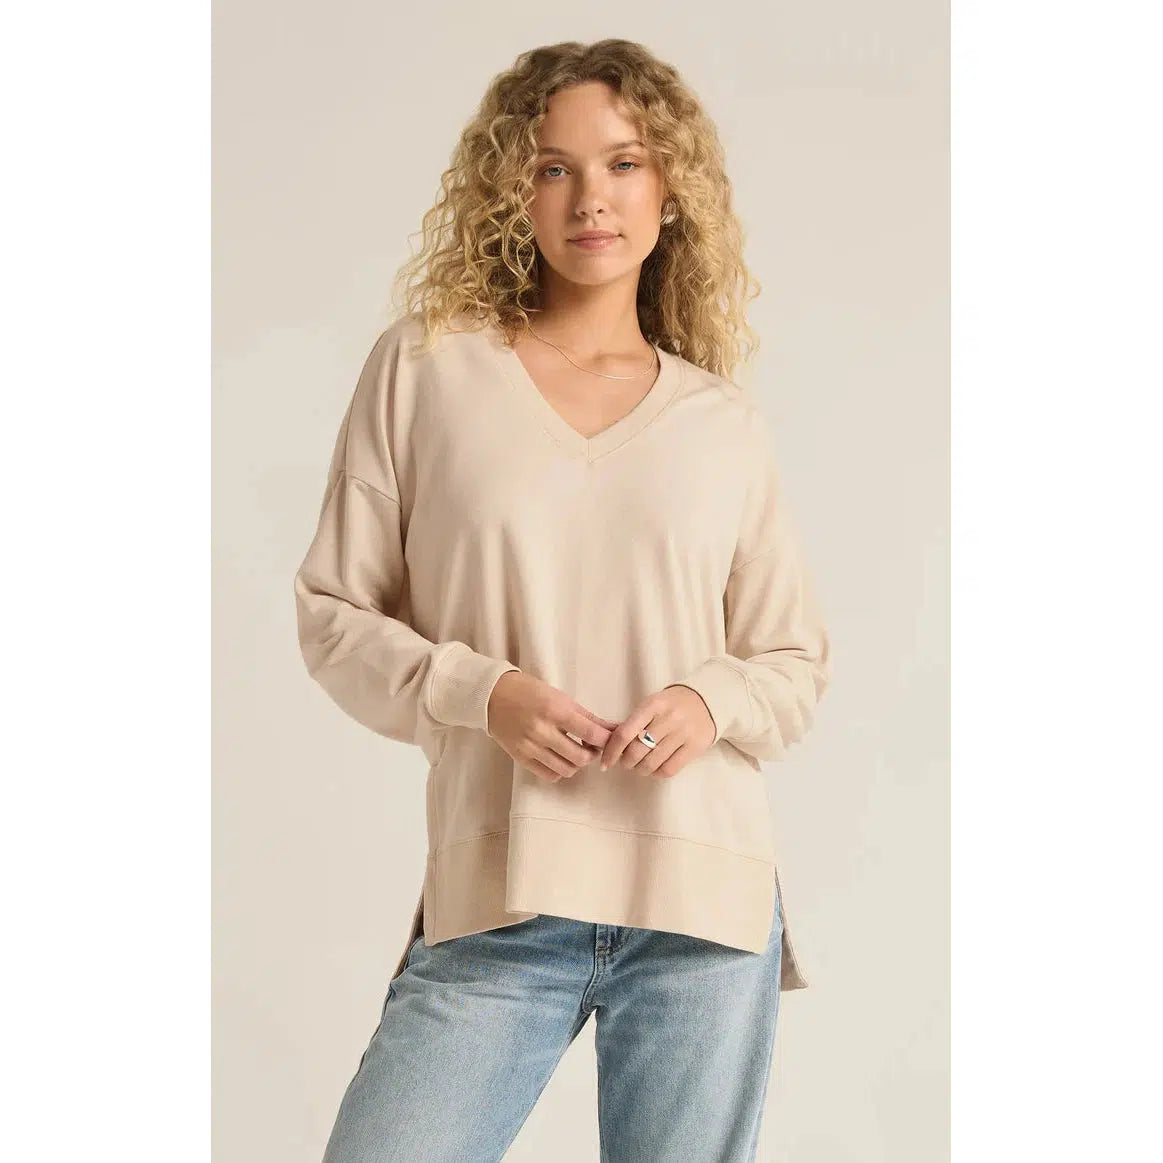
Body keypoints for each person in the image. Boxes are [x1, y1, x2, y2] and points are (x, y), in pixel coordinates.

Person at [293, 37, 832, 1163]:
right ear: (513, 193)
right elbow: (334, 613)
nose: (591, 197)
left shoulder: (721, 424)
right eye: (553, 167)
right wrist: (478, 690)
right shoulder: (426, 369)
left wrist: (708, 699)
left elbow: (790, 661)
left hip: (700, 904)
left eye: (624, 163)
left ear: (669, 188)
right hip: (502, 894)